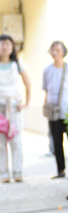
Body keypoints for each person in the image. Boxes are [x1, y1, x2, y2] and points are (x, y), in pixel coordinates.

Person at [43, 40, 68, 179]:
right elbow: (46, 90)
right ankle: (60, 170)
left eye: (57, 50)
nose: (54, 52)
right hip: (53, 113)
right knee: (57, 142)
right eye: (52, 49)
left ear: (63, 52)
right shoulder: (47, 70)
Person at [0, 34, 31, 183]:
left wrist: (26, 103)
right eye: (1, 44)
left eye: (7, 44)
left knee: (16, 141)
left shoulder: (18, 63)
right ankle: (3, 173)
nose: (4, 47)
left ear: (12, 47)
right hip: (0, 107)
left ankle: (18, 172)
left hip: (14, 106)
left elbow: (28, 84)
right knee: (0, 142)